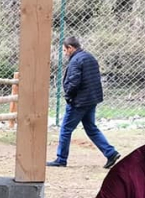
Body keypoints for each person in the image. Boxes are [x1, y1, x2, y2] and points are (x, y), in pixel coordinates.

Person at [47, 36, 120, 169]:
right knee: (91, 128)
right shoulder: (89, 57)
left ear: (71, 48)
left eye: (65, 50)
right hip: (91, 99)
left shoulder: (76, 60)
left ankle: (61, 159)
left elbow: (74, 82)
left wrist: (69, 96)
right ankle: (110, 153)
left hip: (79, 102)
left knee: (65, 129)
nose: (64, 53)